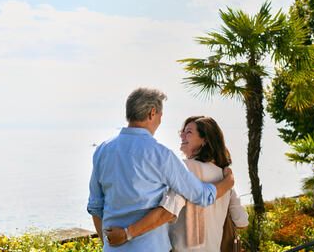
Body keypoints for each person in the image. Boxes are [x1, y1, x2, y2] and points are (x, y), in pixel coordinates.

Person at [87, 88, 235, 252]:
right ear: (152, 113)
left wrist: (109, 244)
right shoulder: (161, 155)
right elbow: (201, 195)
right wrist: (227, 182)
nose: (160, 120)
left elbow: (95, 206)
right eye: (160, 115)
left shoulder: (102, 150)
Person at [105, 116, 249, 251]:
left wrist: (127, 233)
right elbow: (241, 221)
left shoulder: (185, 169)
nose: (182, 136)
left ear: (204, 140)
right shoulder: (225, 177)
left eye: (189, 132)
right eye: (182, 132)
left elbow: (168, 211)